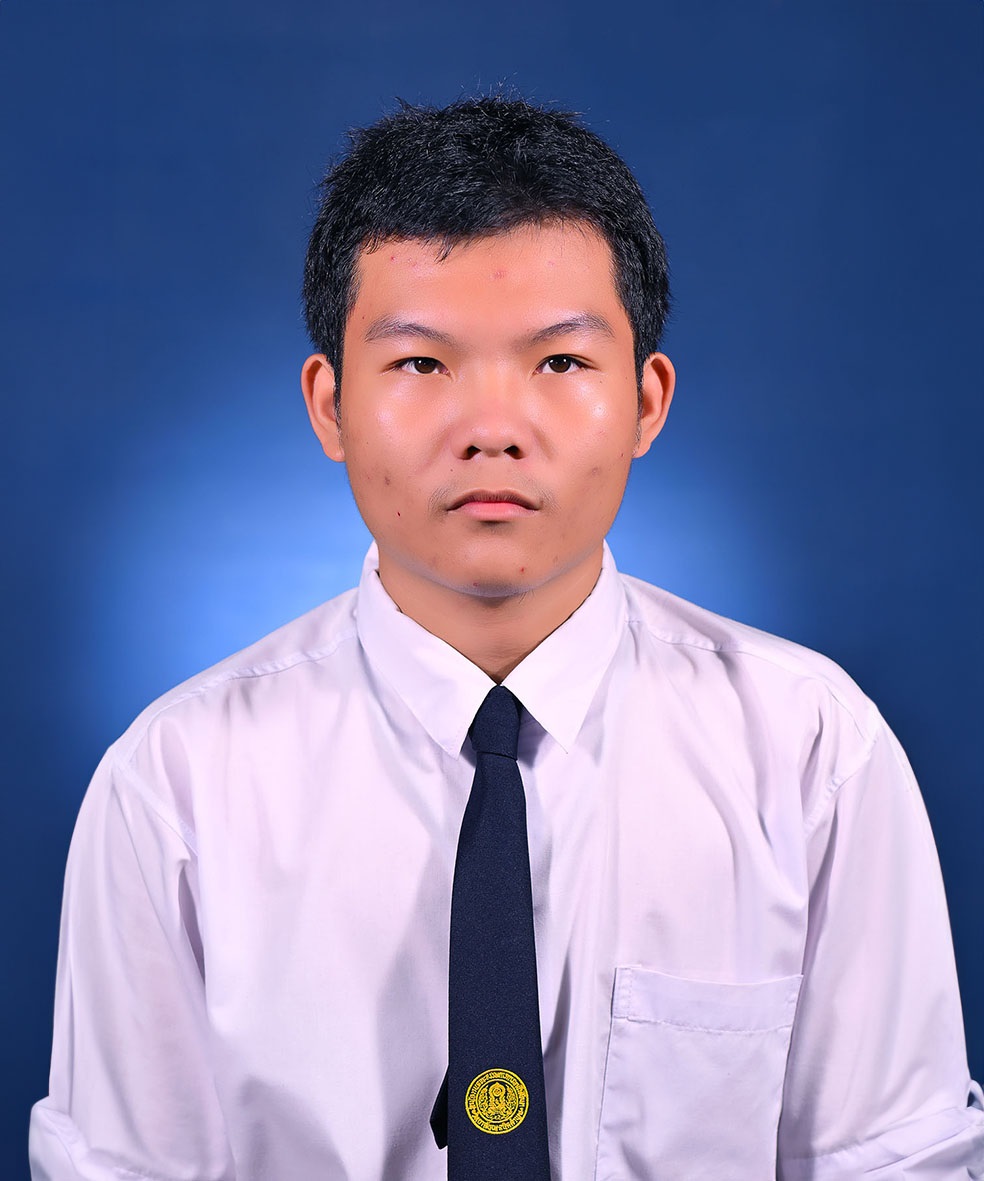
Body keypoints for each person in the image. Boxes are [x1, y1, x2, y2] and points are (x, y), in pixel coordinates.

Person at [30, 96, 983, 1180]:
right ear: (329, 405)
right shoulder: (175, 789)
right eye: (421, 365)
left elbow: (896, 1163)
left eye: (560, 363)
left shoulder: (812, 753)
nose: (492, 428)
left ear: (647, 399)